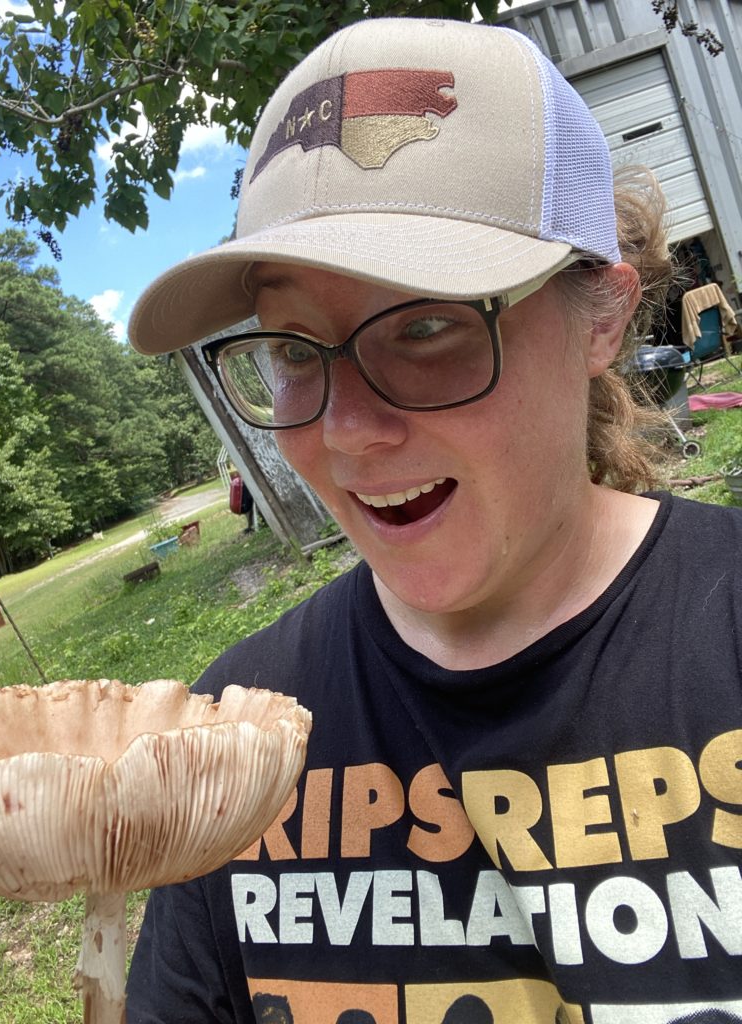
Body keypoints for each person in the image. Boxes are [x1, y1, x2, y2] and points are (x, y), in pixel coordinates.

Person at [125, 17, 742, 1024]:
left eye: (425, 325)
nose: (347, 429)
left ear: (601, 314)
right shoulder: (235, 740)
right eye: (292, 345)